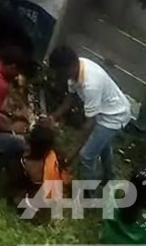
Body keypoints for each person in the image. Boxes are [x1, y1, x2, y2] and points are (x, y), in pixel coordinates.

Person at [48, 45, 132, 181]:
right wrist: (53, 117)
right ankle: (110, 177)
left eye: (60, 73)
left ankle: (88, 195)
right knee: (102, 146)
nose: (59, 77)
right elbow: (70, 98)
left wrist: (72, 154)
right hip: (104, 110)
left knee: (87, 155)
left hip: (114, 117)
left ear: (69, 67)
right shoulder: (76, 69)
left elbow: (88, 125)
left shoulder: (90, 84)